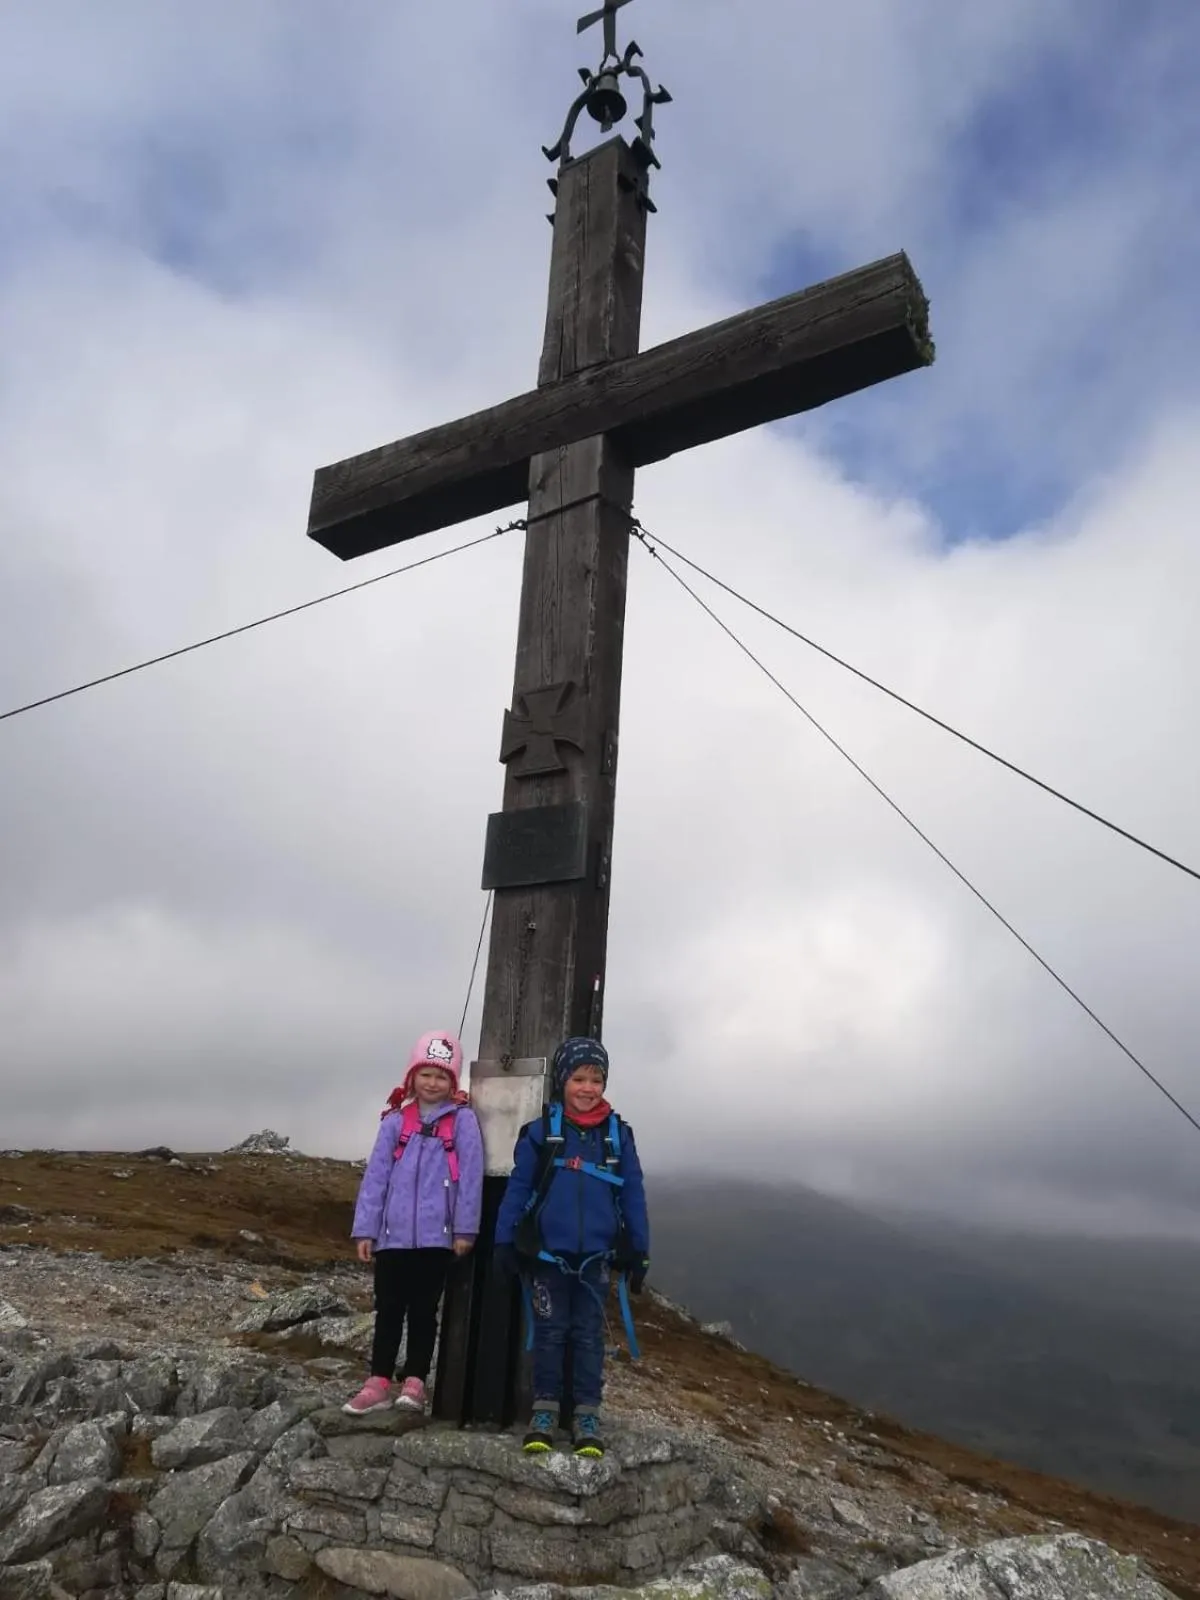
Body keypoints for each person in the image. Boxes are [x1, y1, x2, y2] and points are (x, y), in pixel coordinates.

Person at [494, 1035, 649, 1458]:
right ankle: (544, 1412)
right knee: (549, 1333)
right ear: (562, 1081)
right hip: (548, 1257)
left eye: (595, 1079)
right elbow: (519, 1188)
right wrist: (504, 1241)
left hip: (597, 1258)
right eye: (578, 1078)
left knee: (587, 1337)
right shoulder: (541, 1134)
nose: (587, 1087)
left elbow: (633, 1192)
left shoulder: (618, 1137)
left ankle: (586, 1416)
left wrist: (640, 1249)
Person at [343, 1030, 483, 1416]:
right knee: (387, 1309)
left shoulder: (463, 1122)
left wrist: (464, 1229)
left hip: (437, 1240)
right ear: (411, 1076)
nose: (433, 1083)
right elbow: (376, 1178)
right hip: (391, 1238)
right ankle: (377, 1382)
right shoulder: (394, 1122)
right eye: (426, 1074)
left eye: (442, 1076)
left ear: (453, 1081)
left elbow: (470, 1177)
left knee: (424, 1312)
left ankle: (416, 1382)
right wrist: (366, 1230)